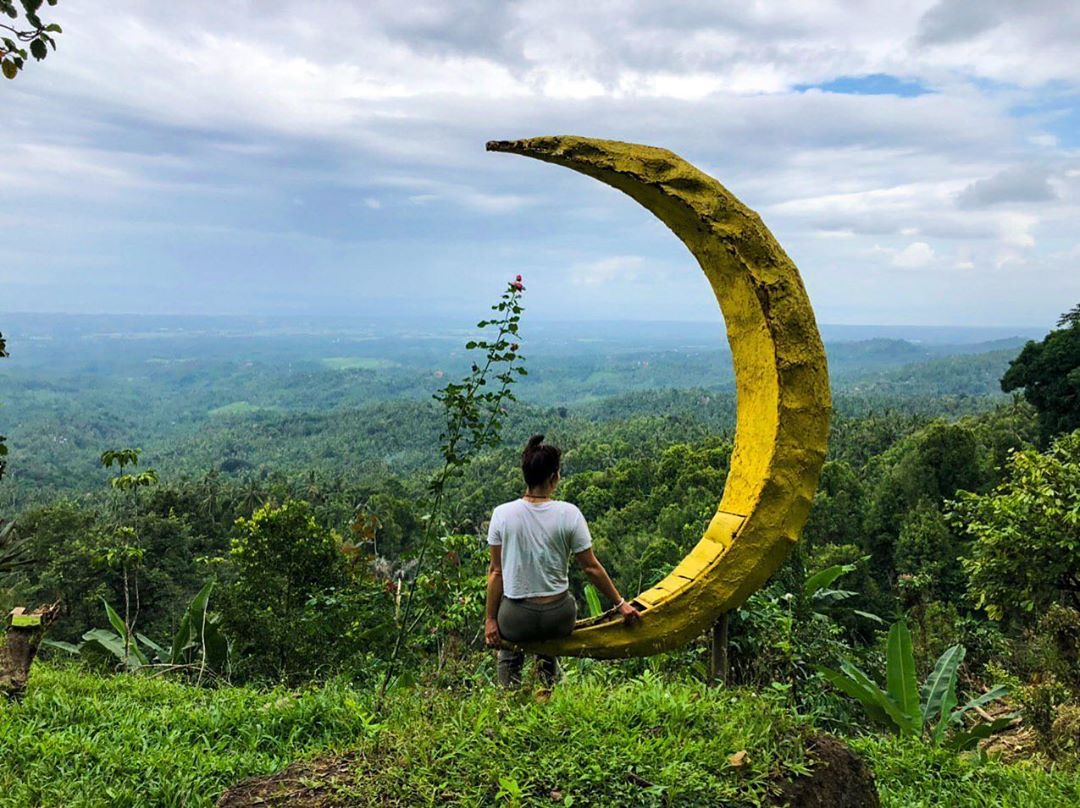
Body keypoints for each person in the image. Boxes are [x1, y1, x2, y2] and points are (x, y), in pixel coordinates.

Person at [485, 434, 641, 686]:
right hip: (558, 617)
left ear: (525, 475)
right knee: (548, 643)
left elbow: (496, 573)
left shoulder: (502, 514)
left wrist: (491, 620)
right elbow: (591, 567)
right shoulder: (569, 514)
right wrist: (620, 604)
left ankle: (508, 698)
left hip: (517, 619)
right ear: (553, 478)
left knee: (508, 651)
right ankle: (546, 691)